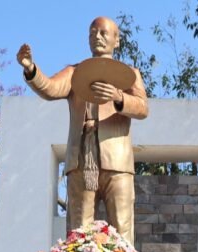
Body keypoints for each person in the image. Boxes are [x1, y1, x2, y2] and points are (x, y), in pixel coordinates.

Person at [17, 16, 148, 240]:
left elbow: (142, 108)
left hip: (117, 160)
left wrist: (118, 97)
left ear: (117, 40)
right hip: (80, 158)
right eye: (92, 33)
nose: (97, 37)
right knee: (79, 230)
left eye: (103, 33)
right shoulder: (74, 72)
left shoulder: (129, 74)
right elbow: (50, 88)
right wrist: (31, 69)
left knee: (123, 229)